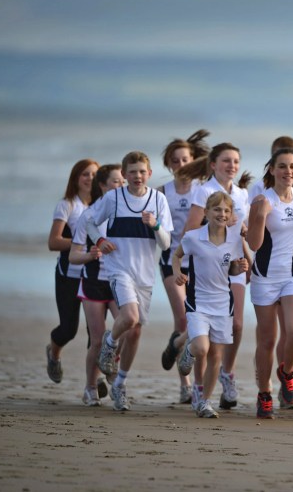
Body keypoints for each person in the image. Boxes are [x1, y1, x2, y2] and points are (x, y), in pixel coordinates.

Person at [90, 151, 173, 411]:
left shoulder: (158, 199)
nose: (137, 176)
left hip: (145, 274)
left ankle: (120, 384)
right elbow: (90, 222)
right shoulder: (113, 198)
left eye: (142, 171)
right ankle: (109, 344)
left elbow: (166, 242)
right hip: (119, 269)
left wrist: (156, 224)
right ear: (124, 175)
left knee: (135, 330)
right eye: (132, 172)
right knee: (129, 318)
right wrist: (100, 241)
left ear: (149, 174)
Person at [177, 142, 251, 410]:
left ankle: (226, 374)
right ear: (213, 165)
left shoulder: (242, 194)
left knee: (238, 325)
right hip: (208, 263)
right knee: (204, 342)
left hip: (232, 263)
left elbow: (241, 234)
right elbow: (191, 229)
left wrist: (247, 260)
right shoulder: (204, 190)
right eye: (226, 161)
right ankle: (199, 387)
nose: (231, 165)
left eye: (235, 161)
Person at [248, 148, 293, 419]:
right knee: (267, 340)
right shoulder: (262, 200)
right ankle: (264, 394)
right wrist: (260, 216)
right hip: (265, 276)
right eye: (283, 166)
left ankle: (288, 373)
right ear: (272, 170)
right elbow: (253, 244)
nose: (289, 171)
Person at [157, 129, 209, 405]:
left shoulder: (204, 190)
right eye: (175, 161)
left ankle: (177, 344)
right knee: (183, 319)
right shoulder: (162, 192)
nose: (180, 165)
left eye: (185, 159)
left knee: (198, 322)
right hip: (171, 261)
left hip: (200, 263)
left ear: (193, 160)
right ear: (168, 163)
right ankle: (185, 384)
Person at [69, 163, 124, 406]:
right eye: (116, 182)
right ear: (102, 186)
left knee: (129, 327)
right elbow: (73, 256)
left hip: (119, 281)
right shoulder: (89, 215)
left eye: (123, 182)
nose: (121, 186)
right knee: (98, 339)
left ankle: (111, 366)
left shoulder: (129, 213)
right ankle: (90, 387)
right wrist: (91, 255)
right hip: (93, 282)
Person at [46, 158, 99, 384]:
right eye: (85, 174)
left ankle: (95, 380)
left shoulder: (102, 204)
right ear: (76, 178)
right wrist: (82, 244)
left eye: (95, 175)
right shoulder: (67, 204)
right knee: (68, 329)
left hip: (95, 275)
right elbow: (54, 242)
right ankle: (53, 352)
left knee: (95, 331)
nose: (90, 179)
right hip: (69, 275)